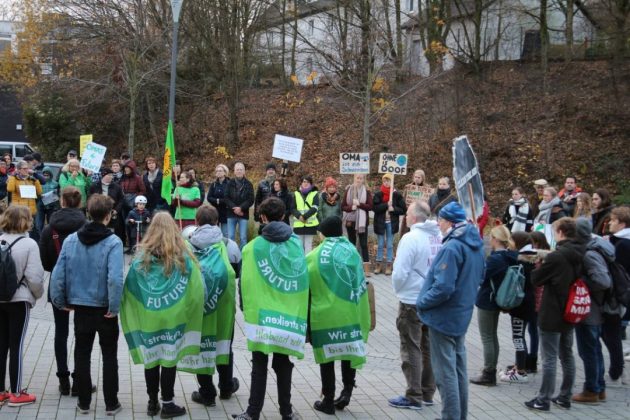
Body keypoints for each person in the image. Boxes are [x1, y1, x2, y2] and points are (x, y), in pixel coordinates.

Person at [120, 212, 204, 418]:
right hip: (174, 316)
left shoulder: (141, 257)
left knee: (152, 358)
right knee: (169, 359)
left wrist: (138, 311)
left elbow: (130, 289)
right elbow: (196, 291)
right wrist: (189, 312)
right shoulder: (183, 256)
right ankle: (168, 403)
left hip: (149, 316)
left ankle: (152, 402)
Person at [233, 197, 308, 420]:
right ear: (284, 216)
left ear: (262, 218)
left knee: (259, 364)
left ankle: (253, 412)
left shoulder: (251, 247)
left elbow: (243, 282)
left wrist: (245, 309)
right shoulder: (296, 244)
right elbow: (301, 278)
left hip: (262, 316)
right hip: (288, 315)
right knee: (284, 364)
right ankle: (286, 412)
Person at [50, 194, 124, 415]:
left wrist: (59, 300)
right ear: (109, 215)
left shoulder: (71, 240)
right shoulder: (113, 241)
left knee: (82, 353)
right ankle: (111, 403)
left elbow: (58, 274)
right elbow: (115, 278)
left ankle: (83, 402)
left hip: (80, 306)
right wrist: (114, 306)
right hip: (104, 307)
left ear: (88, 213)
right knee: (109, 355)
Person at [416, 202, 484, 420]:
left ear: (450, 222)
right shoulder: (476, 243)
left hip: (444, 317)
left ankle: (450, 416)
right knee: (458, 370)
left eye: (441, 220)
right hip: (461, 314)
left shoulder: (453, 247)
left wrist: (422, 302)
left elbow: (444, 287)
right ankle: (458, 415)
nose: (438, 223)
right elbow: (480, 277)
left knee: (446, 374)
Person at [307, 216, 371, 414]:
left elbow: (306, 285)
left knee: (327, 357)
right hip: (350, 311)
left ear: (323, 233)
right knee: (347, 352)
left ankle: (327, 399)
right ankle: (346, 393)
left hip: (325, 315)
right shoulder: (352, 251)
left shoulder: (314, 255)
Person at [525, 217, 585, 412]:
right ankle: (565, 396)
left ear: (559, 232)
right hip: (569, 309)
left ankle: (544, 398)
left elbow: (536, 279)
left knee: (549, 357)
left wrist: (540, 263)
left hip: (552, 310)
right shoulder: (579, 252)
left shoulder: (556, 256)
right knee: (566, 354)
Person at [185, 205, 240, 407]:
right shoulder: (229, 244)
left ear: (196, 222)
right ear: (218, 222)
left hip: (199, 307)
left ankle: (207, 393)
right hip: (224, 305)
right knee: (224, 342)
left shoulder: (186, 245)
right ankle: (226, 387)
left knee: (202, 345)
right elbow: (236, 273)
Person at [388, 201, 439, 410]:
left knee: (411, 347)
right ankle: (427, 392)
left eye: (408, 213)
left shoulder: (410, 238)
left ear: (415, 217)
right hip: (432, 297)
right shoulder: (438, 236)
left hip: (411, 299)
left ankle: (413, 394)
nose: (405, 217)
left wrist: (398, 290)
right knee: (428, 347)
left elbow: (400, 271)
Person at [39, 187, 87, 396]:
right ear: (79, 203)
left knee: (61, 332)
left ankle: (63, 379)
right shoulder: (86, 227)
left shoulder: (50, 229)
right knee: (82, 333)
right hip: (83, 284)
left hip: (58, 283)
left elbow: (45, 262)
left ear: (62, 202)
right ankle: (79, 380)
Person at [0, 205, 44, 407]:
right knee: (16, 345)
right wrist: (37, 295)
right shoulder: (29, 244)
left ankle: (1, 391)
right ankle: (17, 393)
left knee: (1, 345)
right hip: (19, 299)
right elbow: (34, 277)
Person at [470, 225, 518, 386]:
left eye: (491, 237)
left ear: (496, 240)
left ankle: (489, 372)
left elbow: (482, 277)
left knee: (487, 337)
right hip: (498, 298)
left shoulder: (495, 259)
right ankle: (490, 369)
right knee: (492, 335)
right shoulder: (512, 256)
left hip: (488, 299)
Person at [571, 219, 613, 404]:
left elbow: (603, 281)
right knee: (593, 348)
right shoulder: (596, 247)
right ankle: (599, 387)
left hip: (591, 309)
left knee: (589, 350)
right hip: (594, 307)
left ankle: (592, 390)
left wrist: (581, 283)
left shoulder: (589, 254)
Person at [499, 232, 538, 381]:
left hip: (520, 303)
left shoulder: (520, 259)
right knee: (521, 335)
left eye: (511, 240)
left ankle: (520, 371)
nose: (509, 243)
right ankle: (519, 366)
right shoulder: (534, 258)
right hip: (530, 301)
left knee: (518, 336)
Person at [603, 206, 630, 387]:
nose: (609, 223)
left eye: (612, 220)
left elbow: (617, 270)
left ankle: (616, 370)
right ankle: (617, 368)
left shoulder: (623, 244)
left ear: (621, 223)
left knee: (610, 332)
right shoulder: (619, 241)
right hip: (621, 293)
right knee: (611, 331)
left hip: (619, 294)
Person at [372, 174, 406, 275]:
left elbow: (403, 209)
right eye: (385, 181)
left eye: (389, 181)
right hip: (380, 223)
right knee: (381, 244)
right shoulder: (378, 194)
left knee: (390, 244)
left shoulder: (396, 195)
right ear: (382, 182)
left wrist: (393, 209)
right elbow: (375, 208)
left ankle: (389, 265)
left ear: (392, 182)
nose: (387, 183)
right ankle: (378, 264)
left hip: (392, 223)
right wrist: (386, 205)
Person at [342, 174, 373, 276]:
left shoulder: (367, 191)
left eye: (361, 178)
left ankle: (366, 269)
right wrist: (351, 207)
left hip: (362, 222)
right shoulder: (349, 190)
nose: (359, 180)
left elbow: (370, 206)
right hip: (351, 221)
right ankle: (352, 266)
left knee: (363, 244)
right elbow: (343, 206)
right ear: (354, 178)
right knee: (352, 244)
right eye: (357, 178)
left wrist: (360, 204)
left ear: (363, 179)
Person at [7, 160, 42, 241]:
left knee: (33, 231)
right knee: (21, 230)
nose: (27, 170)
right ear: (18, 169)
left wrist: (35, 180)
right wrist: (13, 177)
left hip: (31, 210)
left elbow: (40, 192)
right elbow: (10, 188)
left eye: (27, 168)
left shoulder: (31, 179)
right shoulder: (14, 179)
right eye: (24, 168)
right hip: (20, 210)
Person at [88, 168, 125, 243]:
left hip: (112, 213)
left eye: (112, 175)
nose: (111, 177)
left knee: (111, 231)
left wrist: (116, 210)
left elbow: (121, 200)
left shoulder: (117, 187)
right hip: (98, 213)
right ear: (103, 175)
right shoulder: (94, 186)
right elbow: (90, 198)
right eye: (109, 175)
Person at [224, 162, 254, 249]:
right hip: (231, 213)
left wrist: (241, 208)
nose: (239, 171)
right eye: (237, 169)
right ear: (234, 171)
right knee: (231, 237)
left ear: (244, 171)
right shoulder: (229, 183)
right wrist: (234, 208)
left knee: (243, 238)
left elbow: (251, 199)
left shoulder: (249, 184)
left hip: (243, 214)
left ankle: (242, 257)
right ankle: (232, 257)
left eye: (241, 169)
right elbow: (226, 198)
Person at [291, 175, 319, 254]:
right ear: (301, 183)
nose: (305, 183)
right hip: (299, 224)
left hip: (310, 224)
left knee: (308, 246)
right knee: (299, 246)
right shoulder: (296, 194)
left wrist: (304, 217)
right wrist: (299, 216)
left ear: (311, 184)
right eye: (304, 181)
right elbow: (292, 208)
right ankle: (300, 263)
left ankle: (308, 263)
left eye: (307, 182)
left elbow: (315, 207)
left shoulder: (314, 193)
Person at [207, 164, 231, 237]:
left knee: (225, 234)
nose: (218, 172)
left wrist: (218, 201)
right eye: (217, 171)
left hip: (225, 212)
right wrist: (217, 201)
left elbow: (230, 198)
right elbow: (209, 197)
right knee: (214, 234)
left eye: (220, 171)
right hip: (215, 212)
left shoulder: (230, 184)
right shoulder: (213, 184)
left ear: (225, 172)